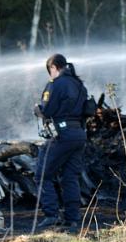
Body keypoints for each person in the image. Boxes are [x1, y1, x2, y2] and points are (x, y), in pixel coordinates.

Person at [33, 53, 88, 232]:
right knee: (70, 177)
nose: (50, 74)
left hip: (61, 136)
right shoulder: (79, 84)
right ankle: (72, 219)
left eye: (50, 71)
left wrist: (38, 110)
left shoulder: (55, 85)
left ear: (54, 67)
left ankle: (51, 216)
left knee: (42, 175)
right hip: (79, 135)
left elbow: (47, 110)